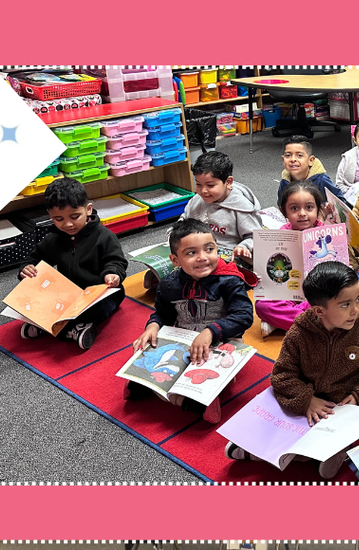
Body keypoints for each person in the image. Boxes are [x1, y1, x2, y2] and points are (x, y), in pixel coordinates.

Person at [229, 262, 359, 478]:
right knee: (276, 409)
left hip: (343, 405)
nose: (356, 309)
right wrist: (306, 400)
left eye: (357, 300)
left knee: (336, 428)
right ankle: (265, 447)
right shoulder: (300, 332)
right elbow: (282, 374)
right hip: (306, 401)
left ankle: (310, 451)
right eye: (345, 304)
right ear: (319, 310)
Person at [129, 217, 254, 424]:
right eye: (191, 253)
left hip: (223, 342)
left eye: (209, 249)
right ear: (175, 260)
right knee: (148, 350)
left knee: (217, 370)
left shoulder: (230, 280)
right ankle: (148, 385)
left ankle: (193, 401)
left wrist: (211, 331)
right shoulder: (169, 284)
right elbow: (162, 314)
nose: (202, 257)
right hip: (184, 339)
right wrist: (152, 326)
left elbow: (243, 317)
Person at [18, 177, 127, 350]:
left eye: (75, 216)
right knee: (35, 299)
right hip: (67, 293)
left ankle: (66, 327)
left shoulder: (104, 236)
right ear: (50, 216)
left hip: (100, 293)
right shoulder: (53, 239)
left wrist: (112, 274)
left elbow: (116, 261)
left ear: (88, 209)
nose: (68, 224)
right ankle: (61, 326)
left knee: (100, 307)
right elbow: (33, 259)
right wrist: (27, 269)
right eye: (58, 219)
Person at [255, 182, 329, 338]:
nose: (302, 213)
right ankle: (311, 324)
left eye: (309, 207)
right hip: (288, 291)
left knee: (331, 300)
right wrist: (263, 275)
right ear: (284, 212)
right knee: (262, 305)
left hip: (315, 294)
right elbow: (273, 268)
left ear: (318, 209)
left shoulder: (326, 234)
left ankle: (283, 322)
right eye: (294, 208)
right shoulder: (281, 235)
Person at [182, 151, 263, 261]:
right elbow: (185, 219)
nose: (203, 191)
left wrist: (243, 247)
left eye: (210, 185)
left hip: (228, 255)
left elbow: (255, 237)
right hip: (196, 251)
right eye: (198, 184)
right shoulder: (197, 200)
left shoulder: (242, 208)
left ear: (228, 182)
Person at [276, 135, 339, 206]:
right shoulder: (284, 182)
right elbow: (282, 206)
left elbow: (340, 202)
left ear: (311, 160)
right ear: (283, 159)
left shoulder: (322, 180)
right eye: (288, 155)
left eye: (299, 155)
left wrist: (325, 206)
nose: (293, 159)